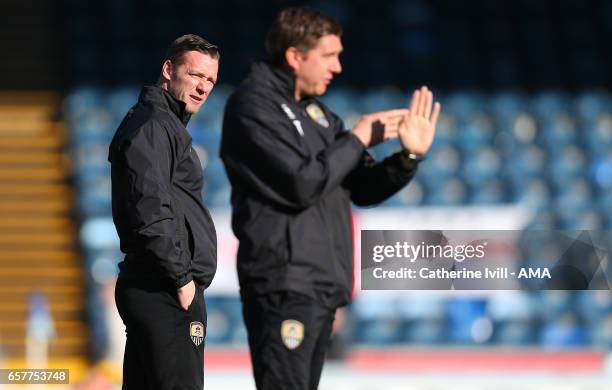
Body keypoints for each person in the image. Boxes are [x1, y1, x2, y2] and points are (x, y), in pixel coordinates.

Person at [220, 7, 440, 390]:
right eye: (329, 56)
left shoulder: (320, 116)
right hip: (284, 281)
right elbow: (301, 183)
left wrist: (408, 158)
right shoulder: (253, 106)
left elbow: (363, 187)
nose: (337, 67)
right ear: (295, 56)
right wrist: (356, 139)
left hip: (318, 284)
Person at [108, 34, 219, 390]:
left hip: (158, 286)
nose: (203, 87)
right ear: (169, 70)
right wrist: (181, 279)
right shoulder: (155, 124)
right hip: (165, 290)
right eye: (196, 75)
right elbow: (150, 207)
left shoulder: (161, 123)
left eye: (211, 81)